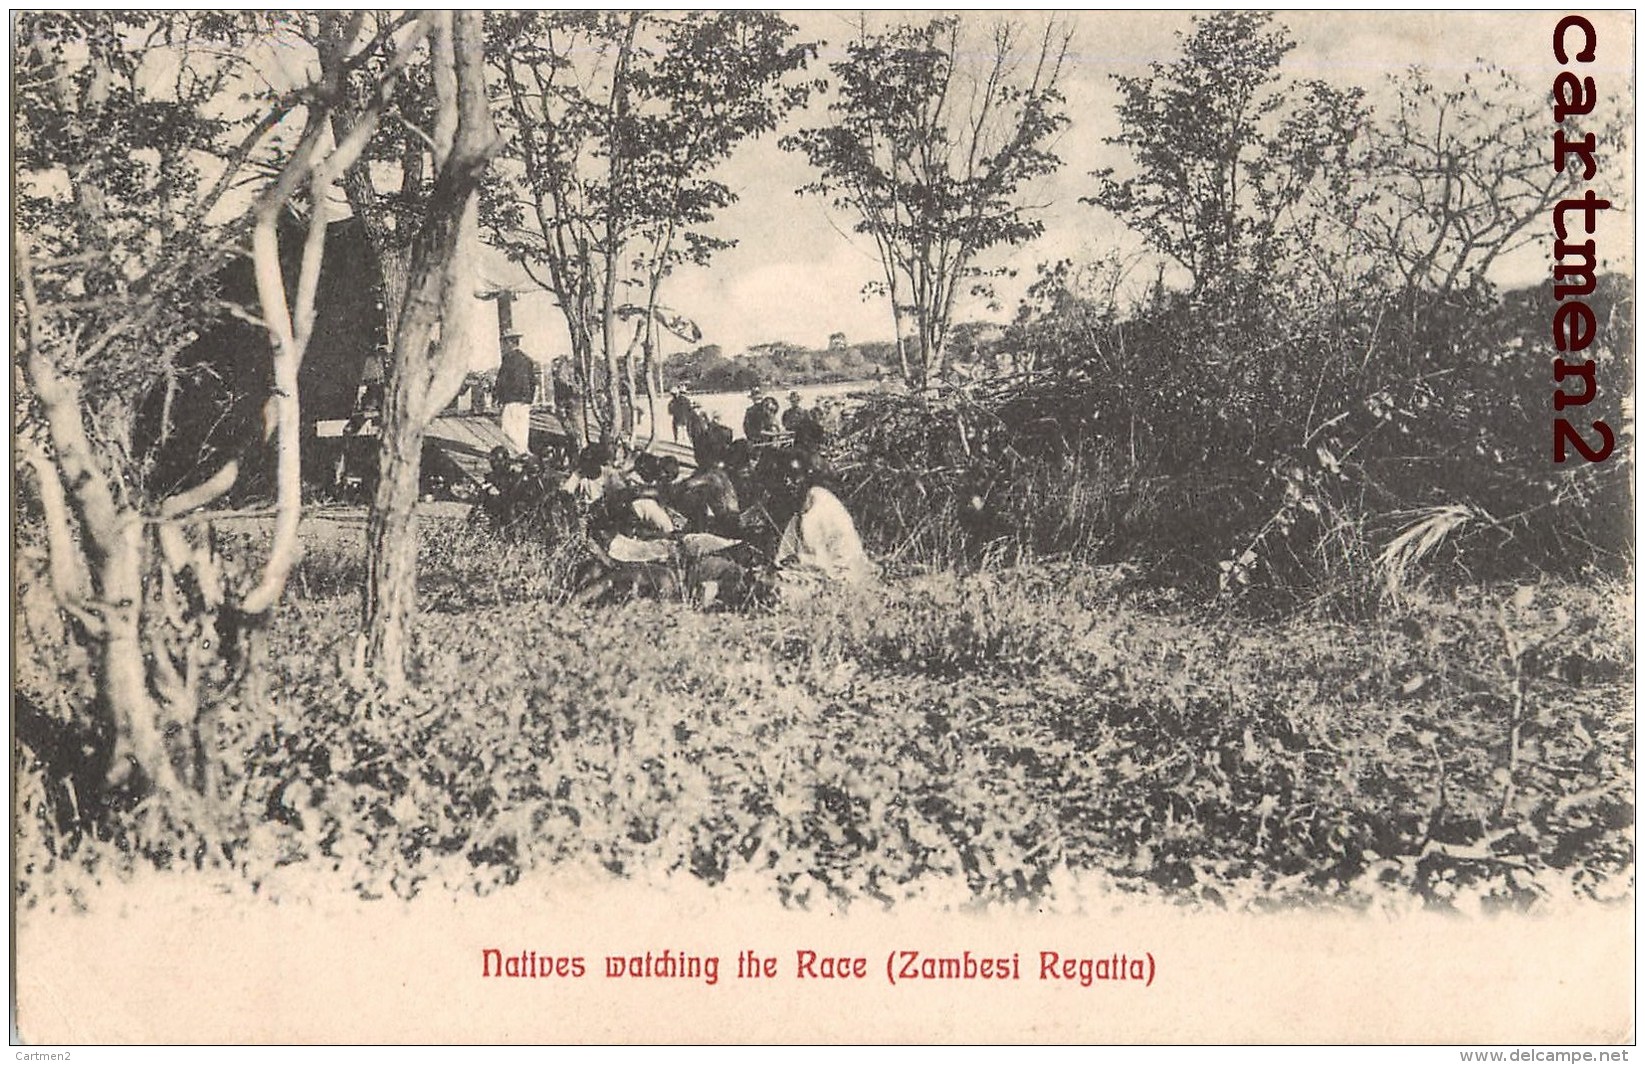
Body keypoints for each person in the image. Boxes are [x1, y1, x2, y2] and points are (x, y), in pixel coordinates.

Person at [494, 332, 537, 453]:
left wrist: (498, 397)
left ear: (509, 343)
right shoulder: (527, 359)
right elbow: (533, 381)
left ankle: (521, 452)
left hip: (511, 399)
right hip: (525, 401)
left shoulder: (508, 359)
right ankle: (523, 451)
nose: (503, 346)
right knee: (522, 430)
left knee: (507, 429)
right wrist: (530, 399)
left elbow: (502, 380)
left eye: (504, 343)